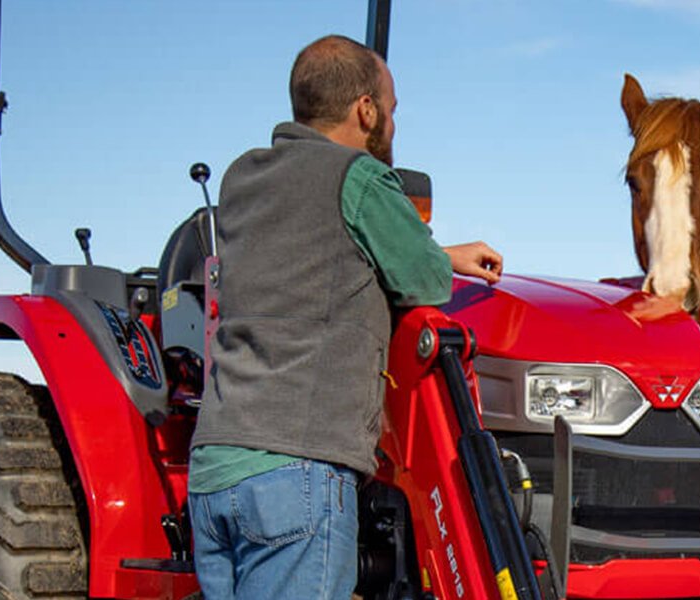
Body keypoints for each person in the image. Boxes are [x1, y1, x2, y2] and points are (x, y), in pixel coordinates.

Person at [186, 35, 503, 599]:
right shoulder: (357, 176)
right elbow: (423, 280)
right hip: (297, 472)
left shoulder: (243, 178)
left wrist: (442, 250)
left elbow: (312, 251)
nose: (393, 124)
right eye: (392, 109)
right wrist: (437, 258)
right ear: (365, 109)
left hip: (215, 470)